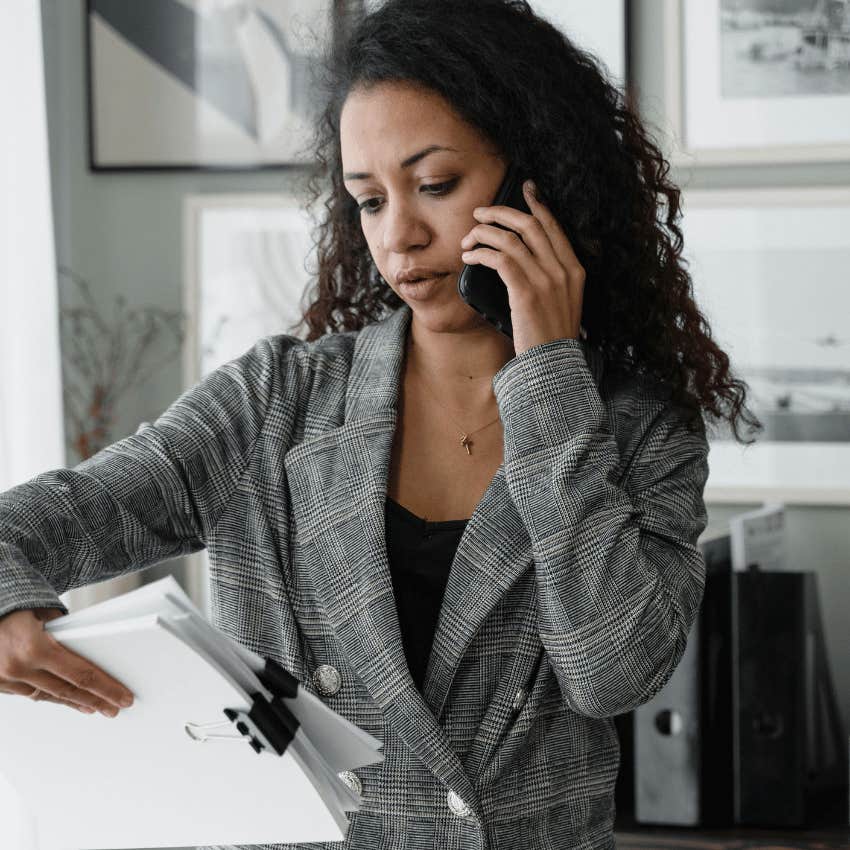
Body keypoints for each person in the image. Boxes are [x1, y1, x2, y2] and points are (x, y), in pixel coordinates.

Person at [0, 1, 762, 848]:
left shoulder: (641, 427)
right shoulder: (273, 405)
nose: (398, 237)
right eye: (368, 201)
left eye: (435, 186)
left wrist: (549, 371)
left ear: (534, 183)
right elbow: (28, 529)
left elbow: (610, 672)